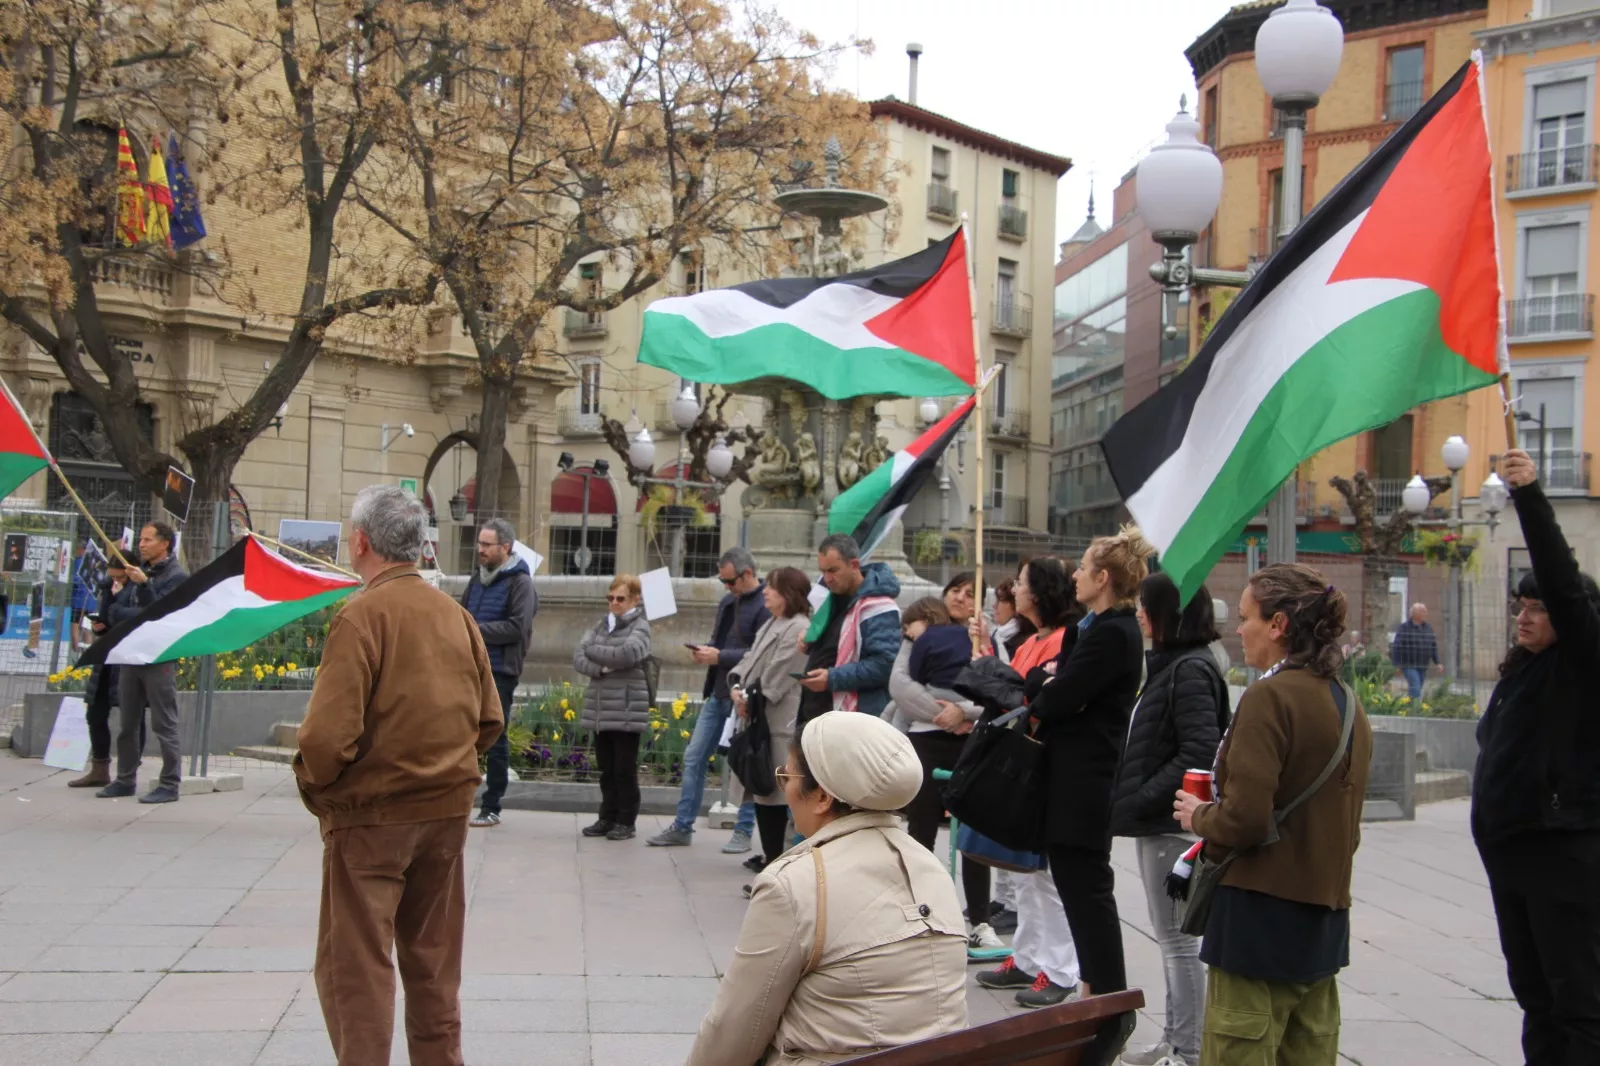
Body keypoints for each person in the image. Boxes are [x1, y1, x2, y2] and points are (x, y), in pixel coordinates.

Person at [293, 485, 503, 1066]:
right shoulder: (456, 616)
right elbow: (490, 719)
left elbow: (325, 739)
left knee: (354, 968)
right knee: (434, 966)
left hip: (372, 818)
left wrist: (318, 787)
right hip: (444, 814)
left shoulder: (361, 617)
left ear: (361, 542)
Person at [686, 711, 967, 1066]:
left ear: (821, 796)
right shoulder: (931, 867)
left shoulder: (792, 883)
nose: (785, 788)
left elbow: (734, 1028)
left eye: (787, 776)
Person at [1175, 563, 1372, 1066]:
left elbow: (1244, 819)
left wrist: (1199, 817)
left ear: (1279, 624)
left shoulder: (1270, 696)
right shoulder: (1347, 701)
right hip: (1323, 925)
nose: (1237, 630)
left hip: (1257, 925)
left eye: (1246, 618)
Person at [1473, 448, 1600, 1065]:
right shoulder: (1523, 671)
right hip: (1513, 856)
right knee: (1534, 998)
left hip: (1562, 855)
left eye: (1537, 607)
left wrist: (1529, 496)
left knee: (1574, 999)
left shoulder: (1582, 658)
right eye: (1519, 607)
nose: (1523, 617)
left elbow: (1561, 581)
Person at [1026, 527, 1153, 1054]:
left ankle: (1108, 1010)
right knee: (1082, 893)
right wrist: (1051, 684)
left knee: (1088, 895)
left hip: (1086, 784)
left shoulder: (1114, 632)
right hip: (1077, 779)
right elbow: (1060, 691)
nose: (1074, 575)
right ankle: (1095, 997)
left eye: (1082, 568)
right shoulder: (1099, 627)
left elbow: (1055, 699)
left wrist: (1042, 684)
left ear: (1103, 578)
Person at [1111, 573, 1230, 1066]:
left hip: (1172, 822)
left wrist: (1141, 795)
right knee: (1171, 942)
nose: (1139, 613)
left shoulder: (1190, 670)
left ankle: (1188, 1051)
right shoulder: (1172, 665)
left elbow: (1200, 750)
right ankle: (1177, 1040)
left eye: (1146, 605)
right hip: (1157, 818)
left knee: (1180, 944)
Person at [976, 555, 1082, 1009]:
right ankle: (1027, 955)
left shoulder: (1062, 639)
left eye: (1020, 584)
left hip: (1044, 763)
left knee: (1048, 879)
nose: (1013, 590)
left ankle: (1060, 969)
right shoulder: (1028, 640)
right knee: (1024, 874)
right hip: (1019, 762)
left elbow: (1036, 695)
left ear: (1037, 593)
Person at [650, 547, 765, 852]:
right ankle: (682, 826)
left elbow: (761, 654)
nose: (727, 587)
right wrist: (707, 651)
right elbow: (720, 640)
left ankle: (743, 830)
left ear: (748, 574)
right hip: (719, 691)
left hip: (745, 695)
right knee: (693, 758)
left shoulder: (766, 604)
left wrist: (720, 655)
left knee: (745, 765)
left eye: (730, 581)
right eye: (723, 581)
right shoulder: (729, 601)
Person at [727, 566, 812, 881]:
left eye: (772, 588)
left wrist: (749, 697)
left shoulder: (798, 627)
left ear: (788, 592)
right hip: (757, 716)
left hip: (776, 721)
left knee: (774, 794)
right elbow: (747, 661)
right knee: (765, 795)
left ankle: (777, 864)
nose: (764, 591)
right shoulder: (774, 622)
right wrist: (736, 687)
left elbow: (778, 673)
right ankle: (772, 859)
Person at [97, 521, 188, 804]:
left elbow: (160, 612)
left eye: (148, 540)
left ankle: (170, 784)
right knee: (128, 723)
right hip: (131, 655)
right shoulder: (139, 572)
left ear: (165, 544)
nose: (142, 545)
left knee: (164, 723)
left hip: (158, 657)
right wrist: (132, 602)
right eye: (142, 540)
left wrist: (145, 588)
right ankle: (125, 779)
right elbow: (114, 611)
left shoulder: (176, 576)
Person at [465, 518, 537, 829]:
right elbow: (462, 613)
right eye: (479, 543)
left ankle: (492, 804)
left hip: (501, 670)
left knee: (495, 736)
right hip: (470, 667)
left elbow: (516, 627)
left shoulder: (520, 583)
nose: (480, 549)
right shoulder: (476, 580)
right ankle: (459, 795)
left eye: (486, 544)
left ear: (505, 548)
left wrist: (474, 630)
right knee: (462, 734)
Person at [574, 575, 653, 841]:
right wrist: (602, 668)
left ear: (634, 599)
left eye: (621, 598)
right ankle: (606, 817)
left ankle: (626, 821)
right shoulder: (601, 624)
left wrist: (596, 652)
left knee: (624, 768)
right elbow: (578, 655)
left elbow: (628, 654)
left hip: (627, 706)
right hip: (601, 706)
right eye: (611, 598)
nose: (615, 603)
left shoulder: (640, 627)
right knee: (606, 768)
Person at [797, 534, 899, 721]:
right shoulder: (831, 601)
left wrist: (832, 678)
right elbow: (833, 649)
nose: (827, 579)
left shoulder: (879, 606)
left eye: (833, 570)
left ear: (854, 565)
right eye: (823, 571)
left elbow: (885, 664)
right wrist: (810, 640)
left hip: (856, 717)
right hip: (817, 711)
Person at [67, 558, 139, 789]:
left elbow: (134, 616)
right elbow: (110, 616)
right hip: (107, 656)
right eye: (112, 577)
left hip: (128, 658)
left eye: (120, 577)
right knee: (95, 712)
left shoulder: (138, 589)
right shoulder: (110, 589)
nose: (116, 581)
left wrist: (116, 609)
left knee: (131, 719)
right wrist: (103, 621)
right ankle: (99, 768)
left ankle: (128, 773)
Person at [1390, 602, 1439, 703]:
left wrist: (1437, 662)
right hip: (1408, 664)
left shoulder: (1428, 628)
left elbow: (1433, 645)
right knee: (1415, 687)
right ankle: (1415, 709)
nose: (1426, 614)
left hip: (1423, 664)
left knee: (1417, 688)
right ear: (1415, 613)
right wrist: (1396, 664)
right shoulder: (1404, 628)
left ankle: (1409, 706)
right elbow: (1397, 646)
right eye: (1423, 611)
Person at [990, 577, 1035, 666]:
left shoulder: (1025, 642)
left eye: (1001, 600)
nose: (994, 605)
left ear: (1015, 604)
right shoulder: (995, 634)